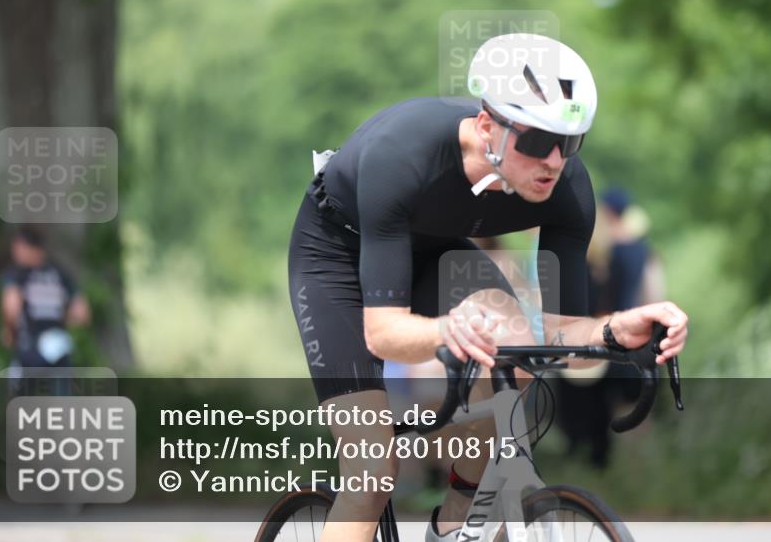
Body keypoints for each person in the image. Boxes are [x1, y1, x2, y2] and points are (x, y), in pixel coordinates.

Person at [287, 34, 689, 542]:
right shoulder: (401, 155)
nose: (554, 161)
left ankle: (458, 519)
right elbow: (384, 335)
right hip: (336, 254)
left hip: (435, 251)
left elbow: (563, 339)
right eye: (537, 142)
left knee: (516, 345)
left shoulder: (567, 190)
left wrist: (614, 330)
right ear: (486, 127)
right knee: (372, 475)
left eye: (569, 143)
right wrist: (447, 331)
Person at [556, 188, 666, 468]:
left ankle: (609, 467)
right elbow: (654, 296)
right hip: (639, 340)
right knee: (636, 410)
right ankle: (638, 469)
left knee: (604, 411)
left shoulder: (592, 257)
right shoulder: (643, 253)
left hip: (605, 341)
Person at [1, 228, 91, 370]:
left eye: (18, 249)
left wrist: (10, 332)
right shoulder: (61, 274)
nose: (15, 254)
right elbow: (82, 313)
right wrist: (61, 322)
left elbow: (11, 307)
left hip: (30, 348)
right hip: (60, 347)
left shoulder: (17, 275)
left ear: (29, 248)